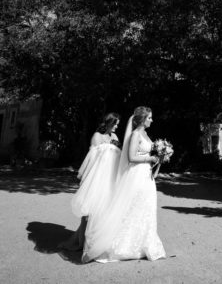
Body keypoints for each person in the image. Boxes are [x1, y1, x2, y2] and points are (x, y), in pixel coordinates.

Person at [82, 106, 166, 262]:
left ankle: (144, 244)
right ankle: (122, 246)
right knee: (133, 208)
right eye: (149, 118)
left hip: (146, 175)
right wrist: (150, 159)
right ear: (142, 119)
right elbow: (131, 156)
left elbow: (144, 153)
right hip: (137, 176)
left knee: (146, 208)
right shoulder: (135, 134)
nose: (152, 120)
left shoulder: (145, 134)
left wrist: (160, 157)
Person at [59, 113, 121, 251]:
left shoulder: (115, 137)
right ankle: (82, 243)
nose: (117, 126)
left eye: (118, 124)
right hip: (96, 177)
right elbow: (91, 157)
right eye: (115, 123)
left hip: (109, 179)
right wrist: (86, 178)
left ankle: (94, 242)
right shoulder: (97, 136)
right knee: (89, 211)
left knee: (103, 211)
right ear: (108, 123)